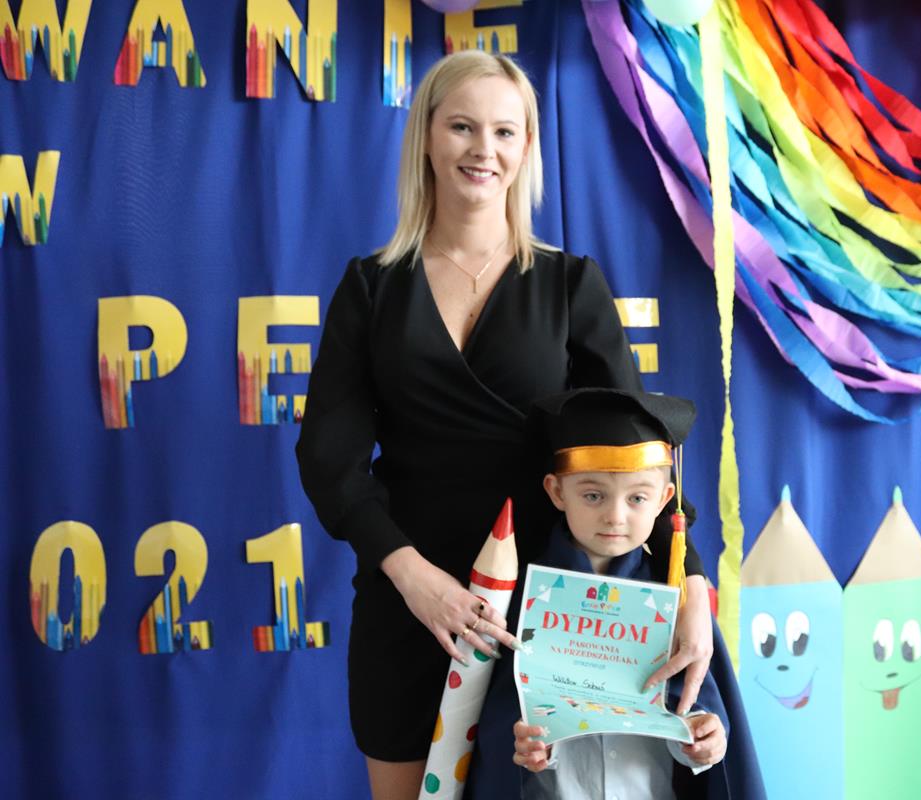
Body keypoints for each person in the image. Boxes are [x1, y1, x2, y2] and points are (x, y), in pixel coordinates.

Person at [294, 51, 713, 800]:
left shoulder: (569, 284)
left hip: (551, 617)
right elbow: (331, 461)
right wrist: (414, 578)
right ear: (427, 137)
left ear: (525, 150)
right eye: (462, 127)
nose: (483, 149)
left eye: (504, 131)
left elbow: (638, 455)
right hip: (408, 606)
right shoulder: (370, 288)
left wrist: (694, 587)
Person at [465, 388, 766, 799]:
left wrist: (704, 738)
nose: (614, 515)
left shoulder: (674, 604)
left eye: (637, 497)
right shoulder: (525, 601)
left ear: (664, 500)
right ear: (557, 492)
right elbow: (501, 729)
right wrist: (532, 746)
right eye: (593, 495)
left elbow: (697, 716)